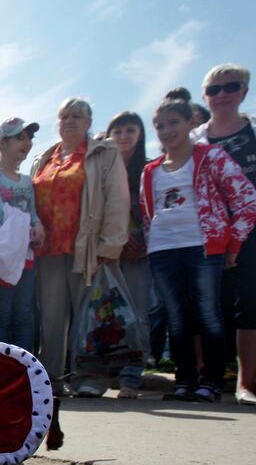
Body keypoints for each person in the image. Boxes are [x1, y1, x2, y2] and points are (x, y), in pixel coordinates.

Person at [143, 98, 256, 402]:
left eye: (174, 122)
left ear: (191, 123)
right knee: (177, 318)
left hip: (203, 247)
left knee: (208, 313)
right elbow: (146, 213)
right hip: (162, 249)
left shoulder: (211, 157)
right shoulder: (151, 171)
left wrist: (234, 242)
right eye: (161, 126)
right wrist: (150, 243)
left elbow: (247, 198)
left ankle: (212, 382)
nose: (167, 130)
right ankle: (184, 381)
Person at [31, 97, 129, 397]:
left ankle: (91, 377)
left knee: (92, 315)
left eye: (76, 116)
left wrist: (110, 245)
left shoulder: (104, 151)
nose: (69, 121)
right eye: (64, 116)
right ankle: (52, 379)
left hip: (87, 248)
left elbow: (117, 197)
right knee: (51, 319)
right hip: (48, 252)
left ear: (88, 122)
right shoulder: (44, 158)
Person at [192, 64, 256, 405]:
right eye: (214, 90)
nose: (222, 95)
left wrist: (239, 237)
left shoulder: (253, 130)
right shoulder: (195, 140)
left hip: (250, 230)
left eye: (230, 87)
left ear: (243, 91)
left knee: (250, 303)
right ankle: (208, 378)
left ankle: (246, 383)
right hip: (206, 234)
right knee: (208, 305)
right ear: (205, 96)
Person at [0, 118, 44, 352]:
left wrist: (38, 225)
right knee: (1, 313)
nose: (26, 143)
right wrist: (26, 228)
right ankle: (0, 370)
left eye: (29, 138)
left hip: (25, 255)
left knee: (24, 313)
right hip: (3, 254)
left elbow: (32, 212)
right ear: (3, 143)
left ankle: (26, 371)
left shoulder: (26, 180)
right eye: (20, 138)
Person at [106, 111, 151, 399]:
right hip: (106, 252)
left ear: (140, 135)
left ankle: (132, 376)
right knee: (108, 316)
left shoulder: (146, 170)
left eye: (130, 130)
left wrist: (139, 239)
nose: (123, 136)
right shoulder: (100, 167)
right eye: (118, 131)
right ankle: (107, 370)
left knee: (139, 314)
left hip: (139, 252)